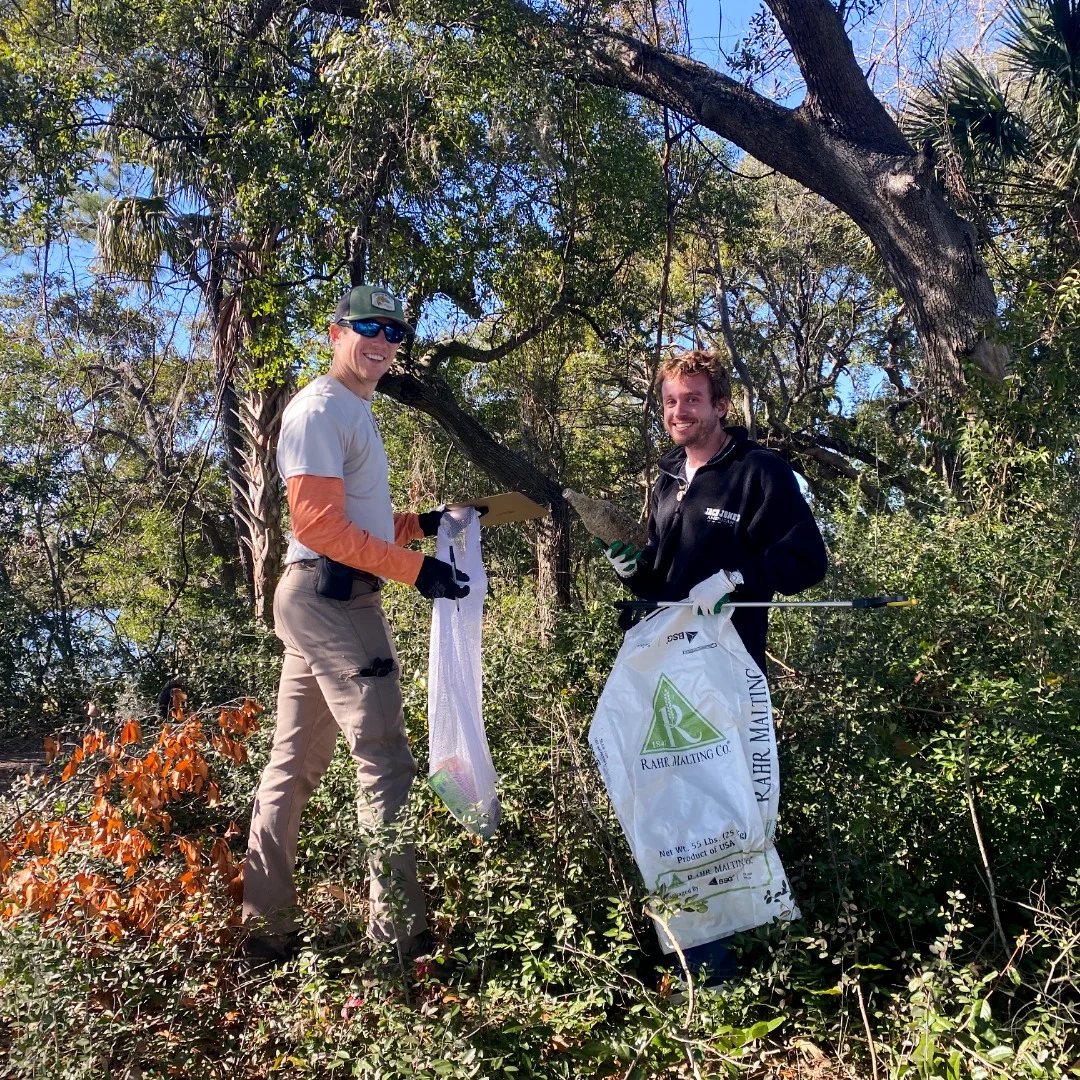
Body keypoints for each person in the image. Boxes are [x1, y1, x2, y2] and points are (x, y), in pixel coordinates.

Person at [242, 284, 470, 964]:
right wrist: (418, 569)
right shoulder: (319, 409)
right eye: (368, 326)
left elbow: (356, 520)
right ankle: (400, 943)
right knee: (386, 760)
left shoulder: (354, 412)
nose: (382, 340)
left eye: (394, 332)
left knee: (293, 763)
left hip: (320, 597)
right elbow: (316, 525)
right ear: (335, 331)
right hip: (333, 601)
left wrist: (421, 526)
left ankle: (267, 929)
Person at [602, 347, 827, 985]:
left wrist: (738, 577)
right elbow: (666, 573)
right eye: (670, 401)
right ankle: (684, 947)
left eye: (692, 400)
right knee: (667, 806)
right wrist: (635, 569)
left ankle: (728, 968)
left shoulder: (759, 473)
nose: (678, 411)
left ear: (720, 406)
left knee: (724, 805)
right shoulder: (670, 476)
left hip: (726, 670)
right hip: (660, 670)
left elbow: (807, 561)